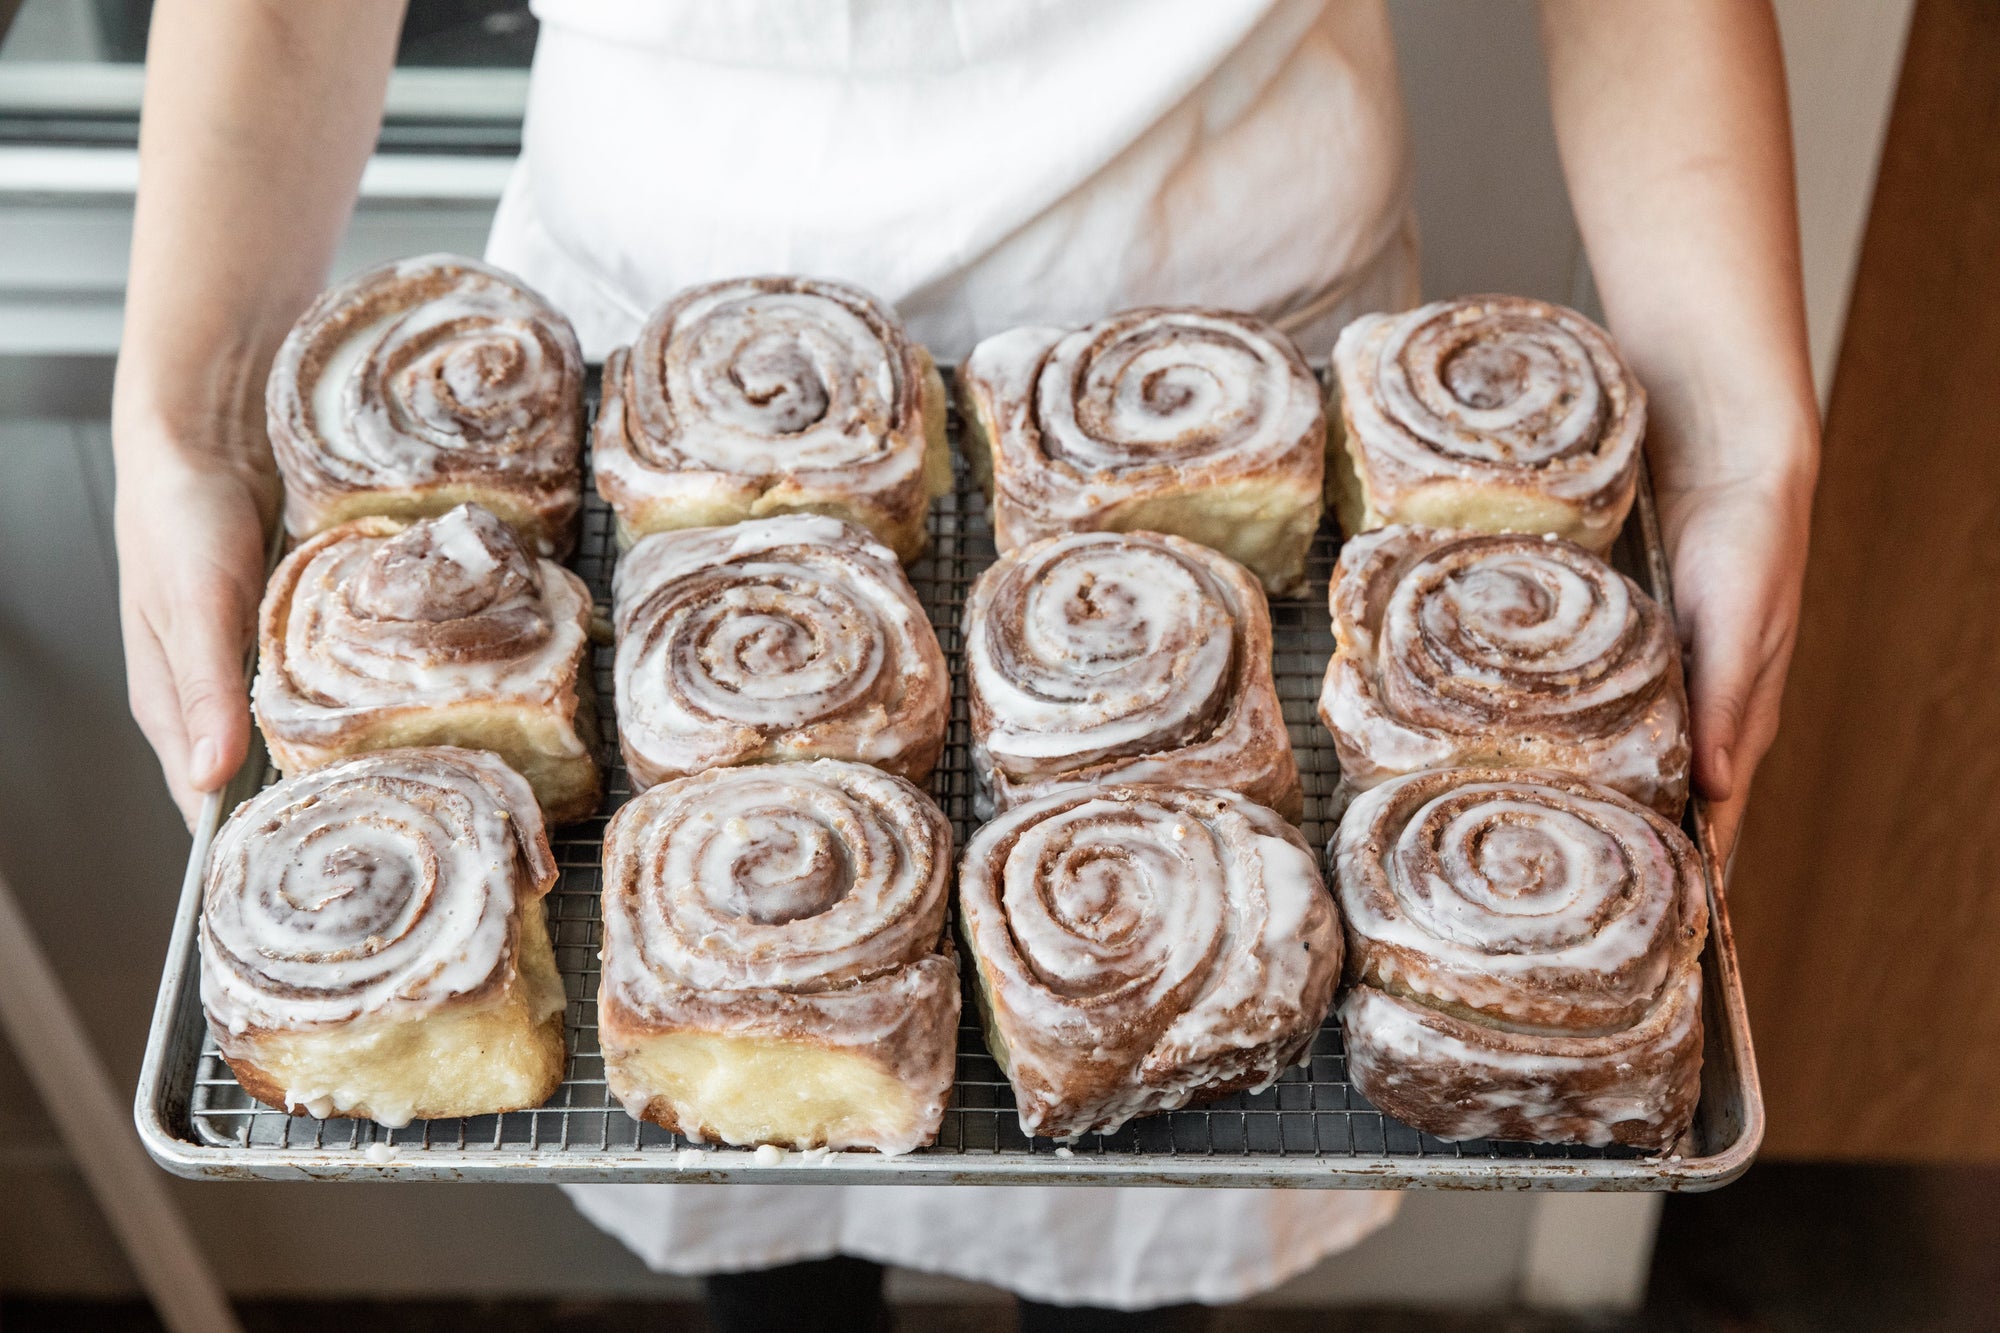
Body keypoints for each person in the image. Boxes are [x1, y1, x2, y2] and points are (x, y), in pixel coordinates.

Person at [112, 1, 1819, 1327]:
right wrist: (187, 414)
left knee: (1165, 1178)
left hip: (1228, 349)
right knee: (751, 1175)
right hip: (645, 397)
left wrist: (1736, 437)